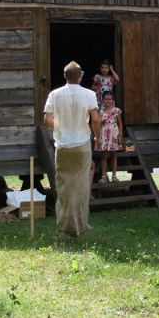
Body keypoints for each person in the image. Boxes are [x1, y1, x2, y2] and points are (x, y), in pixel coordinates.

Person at [43, 61, 102, 237]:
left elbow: (47, 119)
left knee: (64, 186)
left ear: (64, 76)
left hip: (62, 145)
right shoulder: (89, 94)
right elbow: (96, 119)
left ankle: (65, 225)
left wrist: (60, 128)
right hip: (82, 144)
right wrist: (98, 137)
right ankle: (80, 225)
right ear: (80, 76)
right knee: (81, 185)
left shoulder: (55, 94)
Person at [96, 91, 123, 184]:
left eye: (110, 99)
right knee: (103, 156)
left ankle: (114, 176)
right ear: (102, 100)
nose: (108, 100)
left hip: (114, 134)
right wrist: (98, 137)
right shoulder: (100, 112)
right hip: (104, 134)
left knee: (114, 155)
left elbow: (120, 123)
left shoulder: (116, 111)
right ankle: (103, 176)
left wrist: (120, 135)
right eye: (106, 99)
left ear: (113, 101)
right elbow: (98, 125)